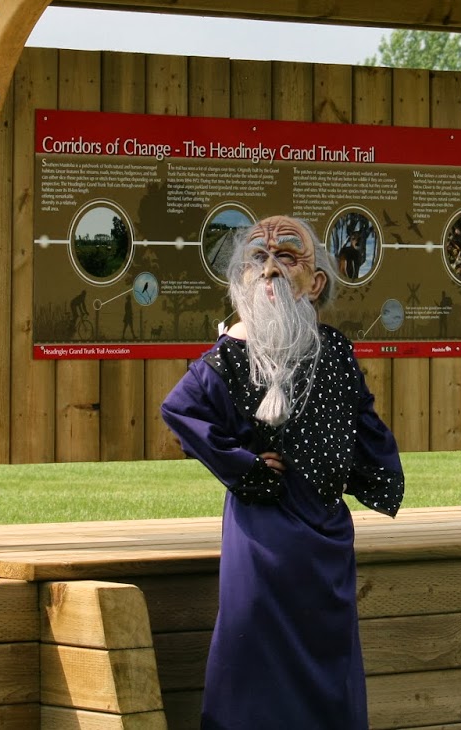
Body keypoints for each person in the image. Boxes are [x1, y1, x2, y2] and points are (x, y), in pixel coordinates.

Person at [160, 215, 404, 730]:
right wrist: (245, 468)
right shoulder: (228, 357)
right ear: (241, 280)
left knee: (329, 666)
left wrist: (363, 473)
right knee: (255, 662)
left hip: (327, 539)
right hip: (263, 535)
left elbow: (361, 420)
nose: (269, 269)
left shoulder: (334, 351)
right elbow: (181, 411)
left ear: (315, 282)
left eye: (286, 257)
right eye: (257, 259)